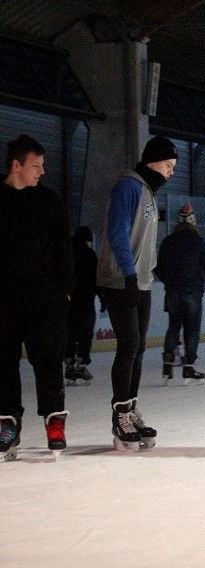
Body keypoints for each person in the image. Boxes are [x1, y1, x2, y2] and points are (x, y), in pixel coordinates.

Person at [97, 135, 178, 452]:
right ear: (154, 161)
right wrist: (129, 274)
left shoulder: (148, 192)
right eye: (169, 165)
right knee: (129, 344)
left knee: (139, 346)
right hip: (121, 279)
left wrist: (151, 272)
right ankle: (120, 414)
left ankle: (130, 408)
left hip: (141, 279)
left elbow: (144, 241)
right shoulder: (128, 187)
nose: (170, 172)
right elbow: (116, 232)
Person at [0, 134, 73, 459]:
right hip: (3, 298)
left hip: (44, 296)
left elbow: (63, 249)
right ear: (16, 166)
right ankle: (8, 423)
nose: (42, 171)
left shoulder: (50, 201)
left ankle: (54, 422)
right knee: (2, 362)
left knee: (48, 361)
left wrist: (65, 291)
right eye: (36, 165)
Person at [154, 203, 205, 385]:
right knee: (192, 329)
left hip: (173, 291)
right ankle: (189, 368)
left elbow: (157, 266)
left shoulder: (169, 241)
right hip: (192, 291)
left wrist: (169, 281)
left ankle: (168, 365)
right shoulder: (198, 242)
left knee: (174, 326)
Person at [65, 226, 100, 386]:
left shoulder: (67, 254)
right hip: (86, 302)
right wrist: (104, 300)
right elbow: (97, 279)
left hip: (68, 302)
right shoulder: (90, 255)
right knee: (85, 334)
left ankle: (69, 362)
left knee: (69, 333)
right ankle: (81, 364)